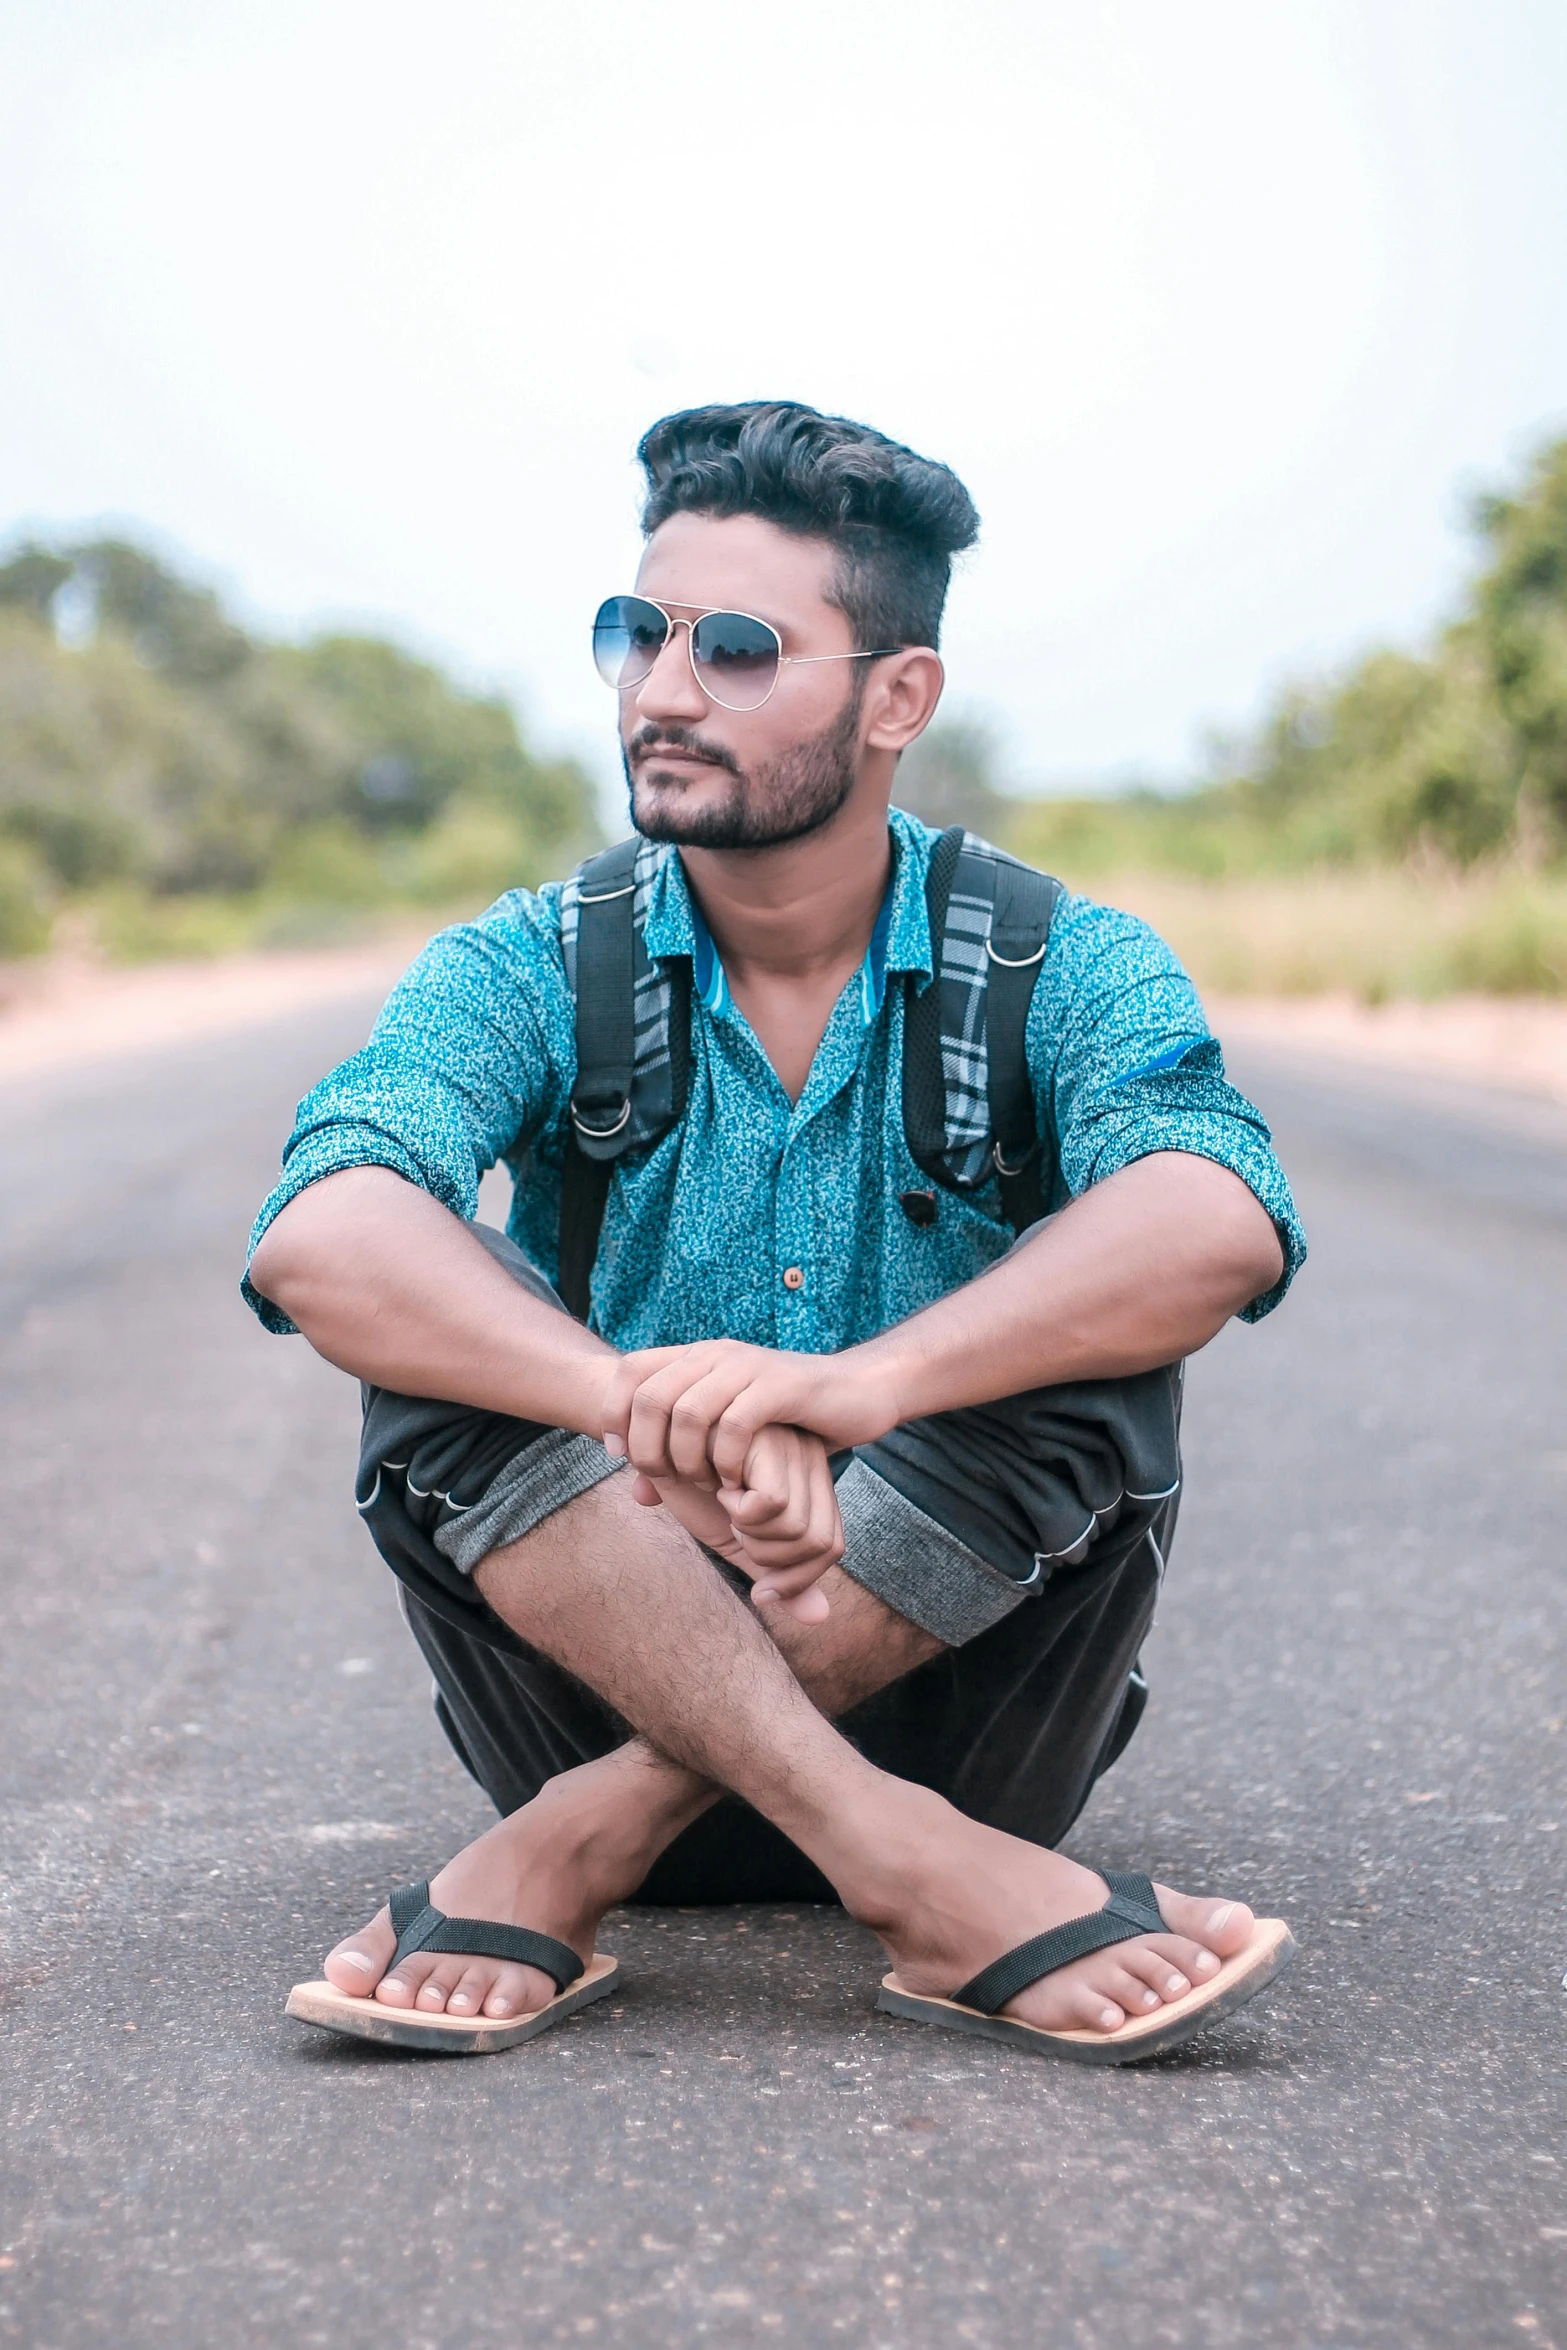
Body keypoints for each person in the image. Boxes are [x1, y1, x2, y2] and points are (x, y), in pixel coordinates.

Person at [246, 400, 1305, 2063]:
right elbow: (323, 1225)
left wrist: (855, 1390)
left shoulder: (1059, 960)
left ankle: (589, 1837)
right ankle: (913, 1872)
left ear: (898, 696)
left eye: (735, 646)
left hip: (966, 1733)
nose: (660, 692)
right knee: (444, 1315)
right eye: (637, 634)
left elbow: (1220, 1216)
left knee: (1095, 1321)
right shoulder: (533, 960)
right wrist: (631, 1409)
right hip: (597, 1663)